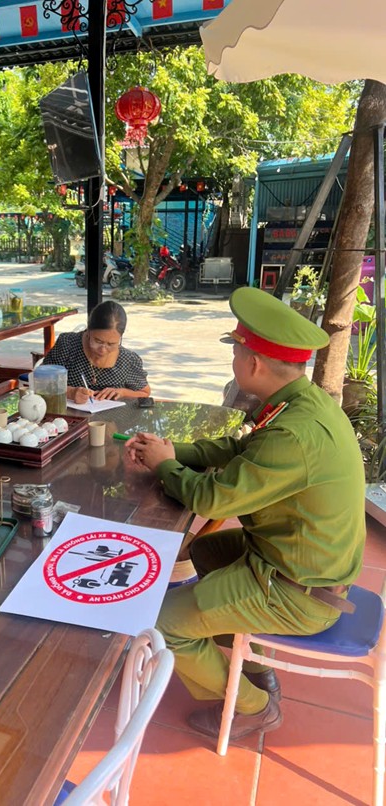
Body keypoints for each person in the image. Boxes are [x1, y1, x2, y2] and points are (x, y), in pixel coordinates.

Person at [126, 286, 366, 740]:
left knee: (160, 623)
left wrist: (164, 466)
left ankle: (253, 707)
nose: (233, 359)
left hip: (297, 590)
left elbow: (213, 500)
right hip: (295, 559)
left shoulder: (293, 434)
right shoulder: (300, 403)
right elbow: (240, 449)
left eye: (236, 351)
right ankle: (250, 662)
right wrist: (174, 450)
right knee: (205, 551)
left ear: (253, 363)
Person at [42, 300, 150, 403]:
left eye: (111, 344)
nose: (103, 350)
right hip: (68, 414)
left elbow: (144, 392)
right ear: (89, 330)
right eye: (98, 341)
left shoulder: (128, 360)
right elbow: (42, 381)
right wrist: (70, 392)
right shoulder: (68, 345)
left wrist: (122, 392)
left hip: (112, 416)